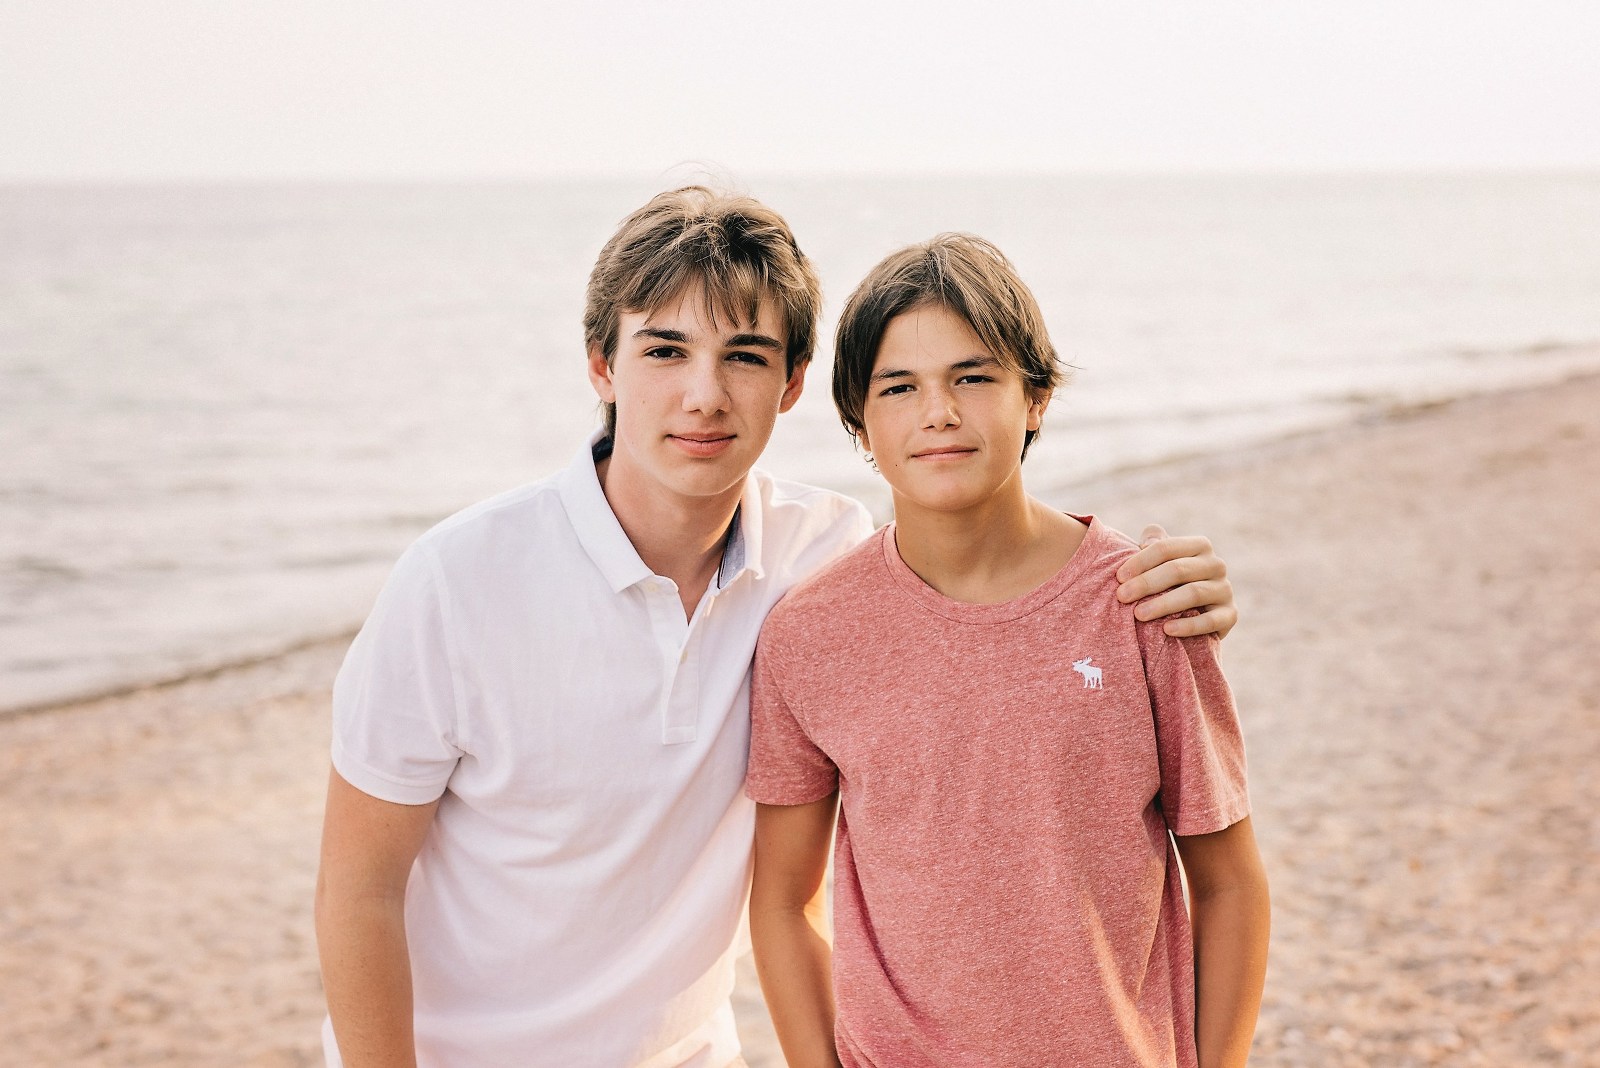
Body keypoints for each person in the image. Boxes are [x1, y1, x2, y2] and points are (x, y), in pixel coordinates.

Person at [314, 188, 1241, 1068]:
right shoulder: (457, 581)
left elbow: (974, 559)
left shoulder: (818, 556)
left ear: (794, 382)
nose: (705, 396)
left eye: (746, 357)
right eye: (665, 351)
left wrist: (1164, 579)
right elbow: (359, 889)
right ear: (602, 363)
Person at [746, 234, 1270, 1067]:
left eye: (973, 377)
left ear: (1036, 397)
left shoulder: (1144, 601)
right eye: (899, 387)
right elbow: (780, 902)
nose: (939, 412)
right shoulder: (809, 633)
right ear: (859, 423)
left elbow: (1229, 882)